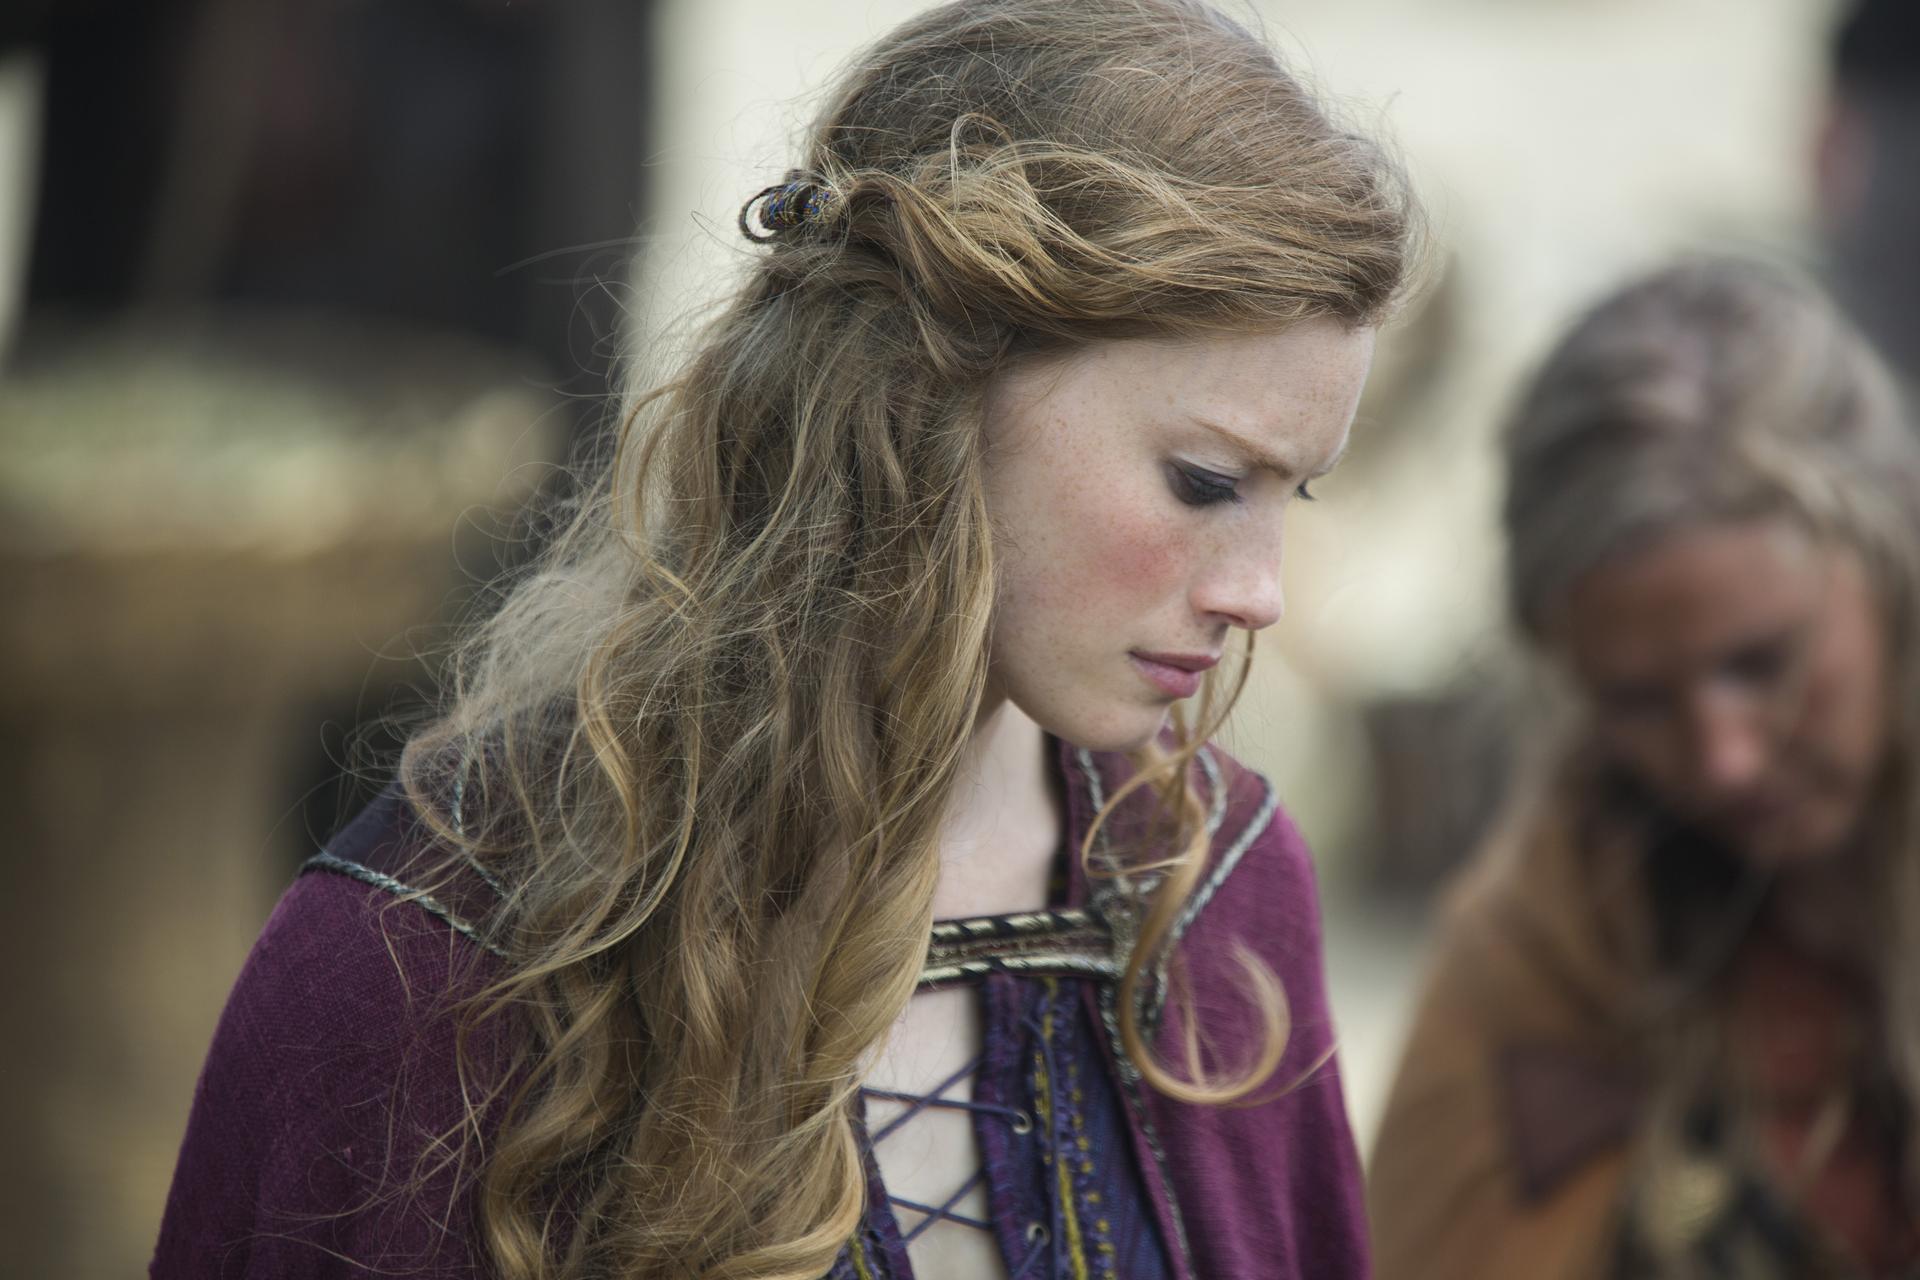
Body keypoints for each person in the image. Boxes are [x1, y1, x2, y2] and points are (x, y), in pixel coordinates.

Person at [152, 1, 1417, 1277]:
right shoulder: (426, 961)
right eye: (1206, 481)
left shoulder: (1217, 898)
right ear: (936, 385)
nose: (1262, 592)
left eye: (1294, 491)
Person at [1368, 258, 1920, 1280]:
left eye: (1763, 663)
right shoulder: (1547, 949)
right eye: (1636, 699)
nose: (1724, 759)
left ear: (1889, 559)